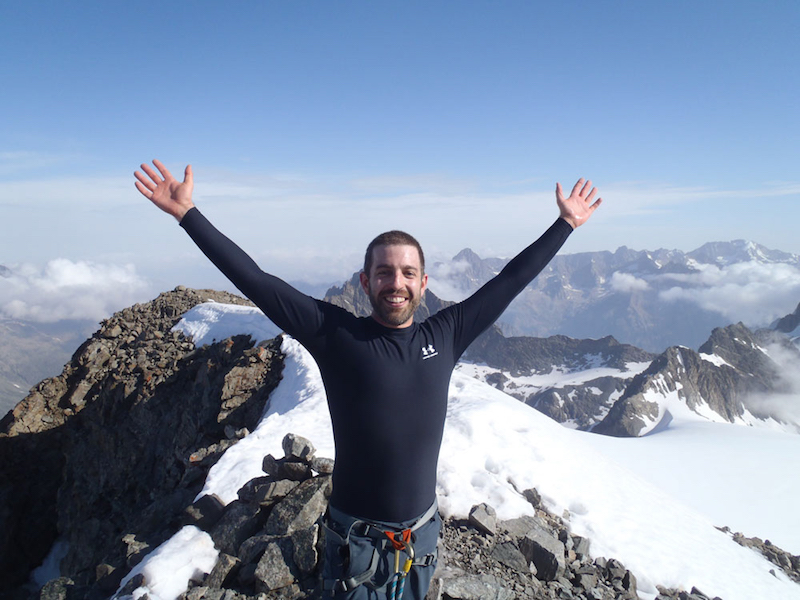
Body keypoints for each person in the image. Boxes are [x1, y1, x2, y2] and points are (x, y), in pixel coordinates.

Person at [134, 159, 601, 599]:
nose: (395, 282)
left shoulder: (449, 332)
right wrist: (187, 214)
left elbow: (510, 279)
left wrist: (565, 224)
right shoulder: (335, 334)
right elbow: (255, 279)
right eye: (384, 273)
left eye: (406, 273)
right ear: (365, 282)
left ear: (423, 283)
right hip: (353, 543)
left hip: (421, 540)